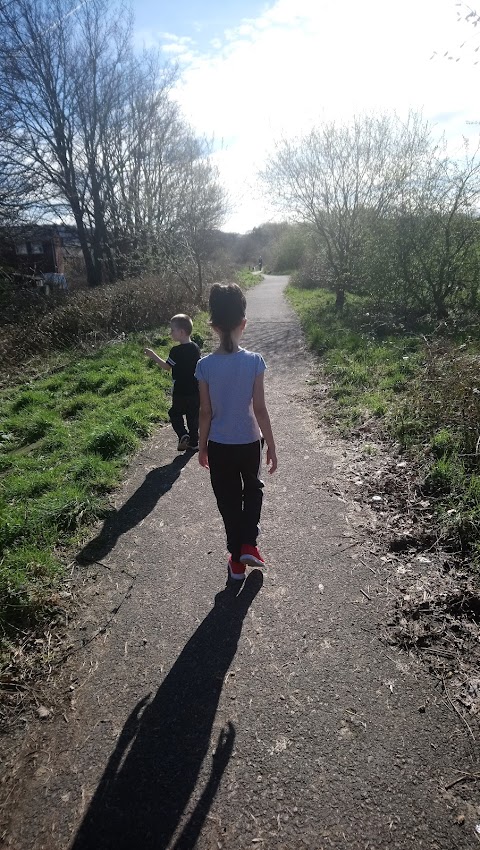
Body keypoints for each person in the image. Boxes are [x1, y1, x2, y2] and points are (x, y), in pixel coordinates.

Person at [195, 283, 277, 581]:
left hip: (219, 444)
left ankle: (236, 560)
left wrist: (202, 446)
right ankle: (248, 545)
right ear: (244, 323)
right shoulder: (254, 362)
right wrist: (271, 444)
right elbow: (260, 409)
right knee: (253, 489)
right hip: (248, 442)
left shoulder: (204, 366)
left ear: (213, 326)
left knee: (228, 499)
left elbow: (204, 412)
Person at [145, 314, 201, 451]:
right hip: (195, 390)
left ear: (181, 332)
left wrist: (153, 355)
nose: (170, 333)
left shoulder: (175, 351)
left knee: (175, 414)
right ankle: (194, 442)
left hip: (180, 391)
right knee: (193, 416)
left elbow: (167, 367)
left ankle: (183, 434)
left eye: (172, 330)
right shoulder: (195, 348)